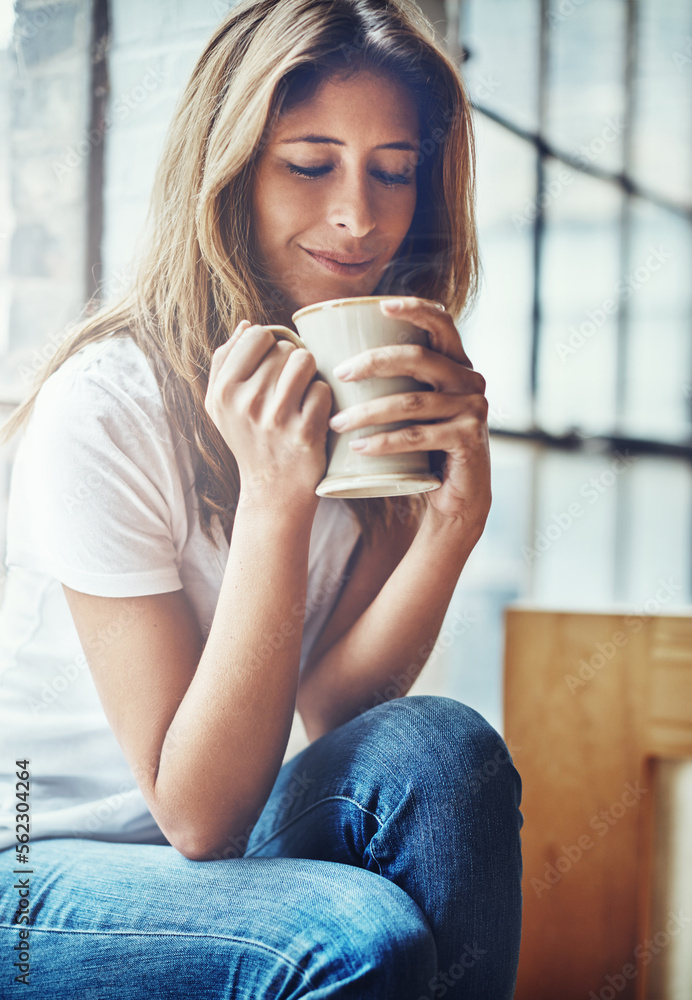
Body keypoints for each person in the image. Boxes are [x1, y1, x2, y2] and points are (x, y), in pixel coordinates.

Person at [0, 0, 523, 996]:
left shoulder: (365, 382)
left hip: (227, 821)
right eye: (310, 163)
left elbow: (336, 710)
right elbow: (197, 814)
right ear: (230, 170)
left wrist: (452, 523)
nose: (357, 217)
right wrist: (273, 500)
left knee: (444, 747)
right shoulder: (105, 409)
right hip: (30, 865)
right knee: (351, 936)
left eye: (393, 170)